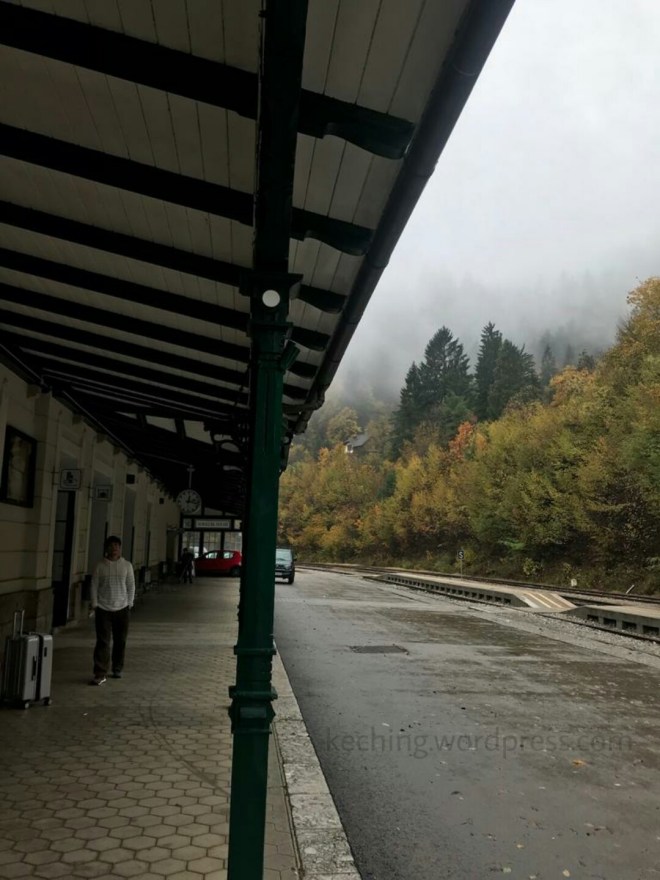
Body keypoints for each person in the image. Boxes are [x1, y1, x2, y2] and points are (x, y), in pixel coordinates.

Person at [89, 535, 135, 686]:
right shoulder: (99, 566)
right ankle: (100, 672)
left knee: (120, 640)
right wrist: (95, 603)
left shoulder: (127, 566)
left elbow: (131, 585)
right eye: (111, 545)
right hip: (103, 608)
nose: (114, 548)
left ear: (120, 548)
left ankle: (117, 668)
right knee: (103, 641)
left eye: (117, 545)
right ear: (107, 548)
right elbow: (94, 584)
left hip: (122, 608)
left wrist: (129, 603)